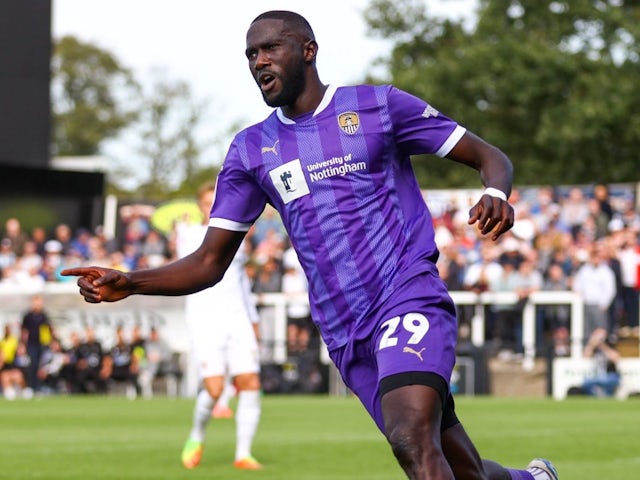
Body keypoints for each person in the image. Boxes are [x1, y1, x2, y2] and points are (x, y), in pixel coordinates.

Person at [62, 11, 558, 480]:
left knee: (410, 437)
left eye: (270, 48)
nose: (259, 61)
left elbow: (488, 155)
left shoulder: (377, 106)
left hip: (406, 295)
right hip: (343, 330)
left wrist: (495, 192)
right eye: (251, 54)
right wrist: (132, 282)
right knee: (457, 468)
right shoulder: (250, 150)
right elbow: (209, 263)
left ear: (308, 51)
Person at [173, 181, 262, 470]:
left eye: (215, 202)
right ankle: (196, 435)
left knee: (250, 382)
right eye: (206, 203)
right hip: (205, 319)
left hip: (237, 317)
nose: (211, 208)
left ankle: (243, 454)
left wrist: (254, 319)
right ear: (199, 206)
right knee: (213, 389)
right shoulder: (188, 234)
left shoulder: (238, 238)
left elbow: (241, 281)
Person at [21, 294, 52, 393]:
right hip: (31, 344)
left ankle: (39, 387)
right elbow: (24, 331)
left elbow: (48, 329)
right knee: (32, 365)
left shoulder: (44, 315)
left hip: (42, 344)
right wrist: (23, 344)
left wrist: (50, 342)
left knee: (41, 366)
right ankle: (31, 386)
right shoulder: (28, 316)